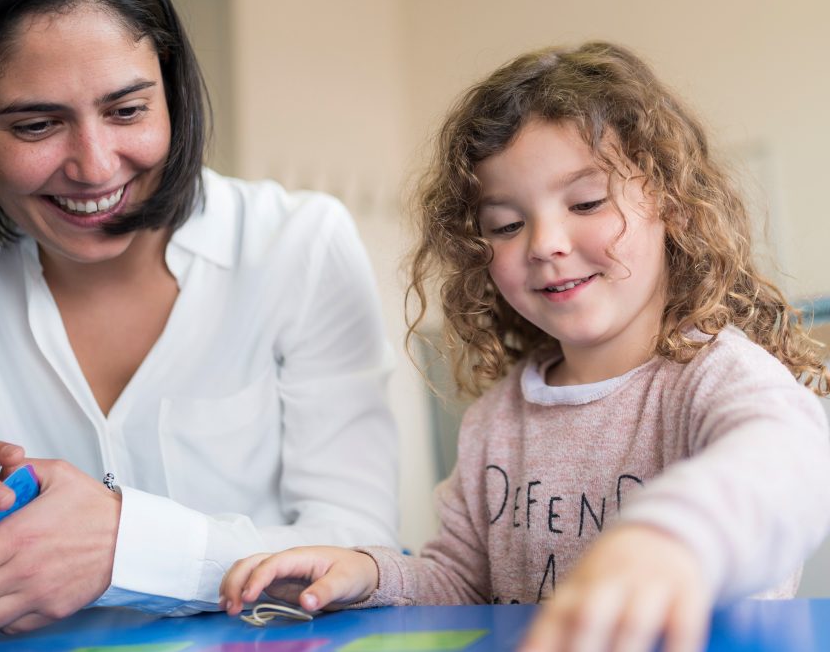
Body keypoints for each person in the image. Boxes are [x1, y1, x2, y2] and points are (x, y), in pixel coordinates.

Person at [0, 0, 398, 634]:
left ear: (170, 84)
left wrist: (125, 543)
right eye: (37, 124)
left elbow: (358, 547)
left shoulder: (297, 246)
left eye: (126, 110)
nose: (94, 167)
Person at [220, 42, 830, 652]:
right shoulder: (496, 419)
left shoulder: (718, 374)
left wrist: (674, 537)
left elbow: (789, 464)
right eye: (507, 225)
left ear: (674, 208)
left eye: (587, 202)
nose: (545, 243)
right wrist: (370, 573)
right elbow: (460, 582)